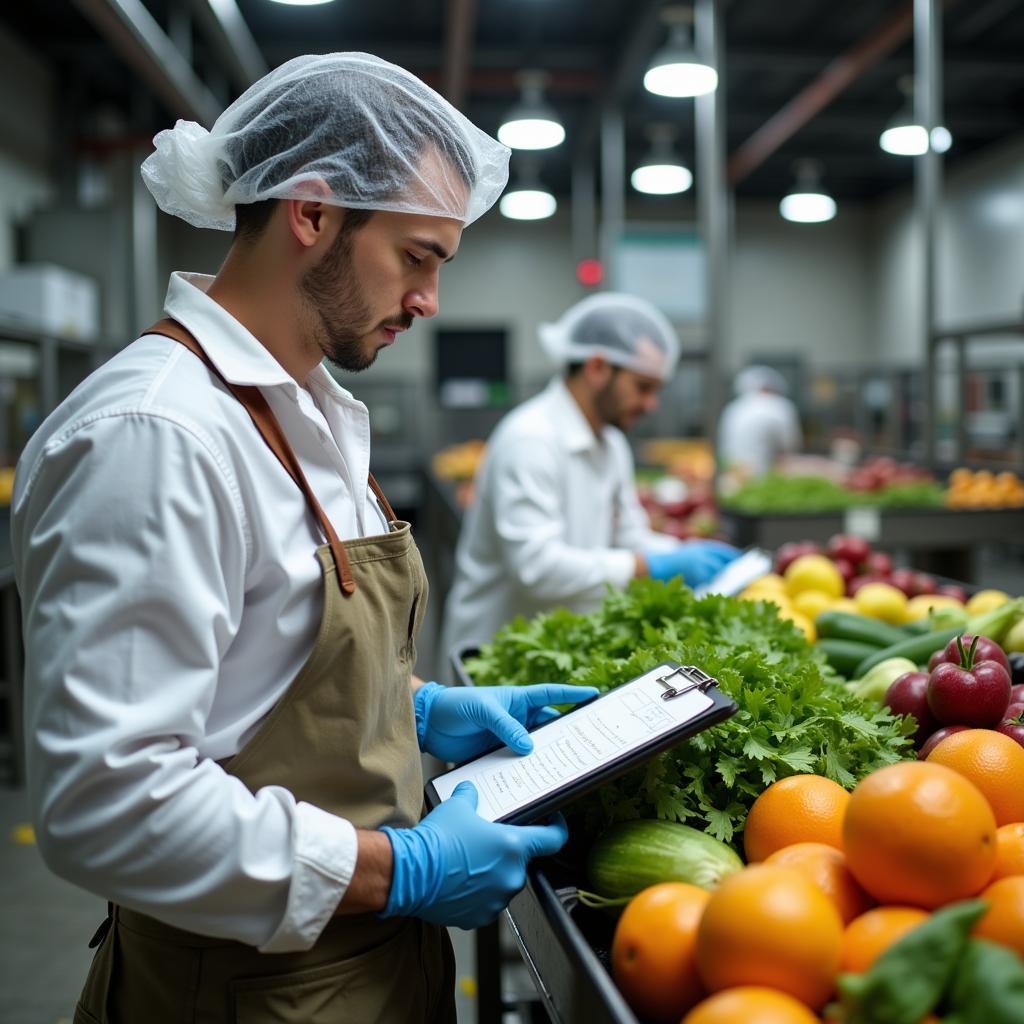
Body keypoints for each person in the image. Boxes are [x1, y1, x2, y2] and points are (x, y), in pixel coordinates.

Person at [12, 53, 598, 1024]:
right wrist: (394, 866)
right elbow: (104, 801)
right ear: (312, 213)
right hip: (240, 988)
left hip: (356, 972)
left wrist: (411, 711)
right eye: (417, 257)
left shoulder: (307, 411)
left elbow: (258, 665)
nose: (428, 301)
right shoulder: (157, 435)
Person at [440, 293, 740, 662]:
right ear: (598, 367)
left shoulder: (611, 445)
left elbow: (629, 537)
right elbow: (537, 568)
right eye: (643, 387)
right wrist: (652, 567)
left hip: (563, 643)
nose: (651, 405)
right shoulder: (531, 439)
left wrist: (687, 555)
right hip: (495, 652)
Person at [717, 364, 803, 479]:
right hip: (763, 475)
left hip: (731, 475)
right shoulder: (779, 406)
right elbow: (791, 445)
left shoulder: (733, 408)